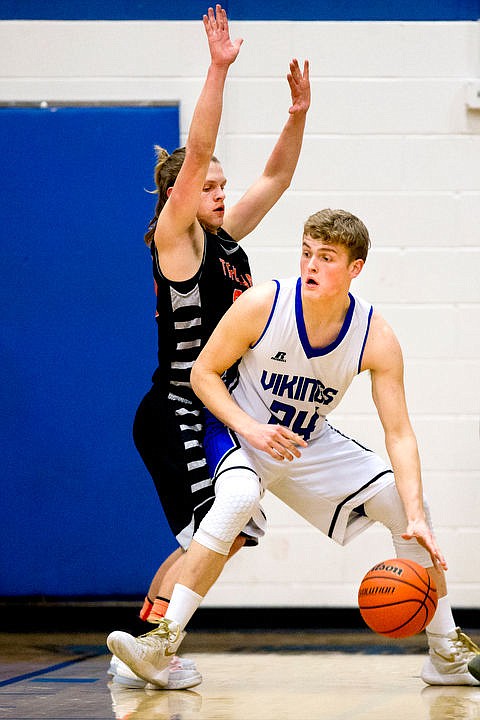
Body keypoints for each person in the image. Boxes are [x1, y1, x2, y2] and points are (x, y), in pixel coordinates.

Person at [108, 208, 480, 687]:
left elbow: (400, 433)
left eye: (326, 258)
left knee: (410, 506)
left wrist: (412, 514)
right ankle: (162, 641)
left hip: (305, 439)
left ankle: (446, 651)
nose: (311, 266)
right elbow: (202, 374)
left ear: (355, 268)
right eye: (306, 253)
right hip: (239, 426)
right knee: (238, 500)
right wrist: (250, 427)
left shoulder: (375, 335)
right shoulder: (265, 303)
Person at [109, 3, 311, 690]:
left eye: (225, 185)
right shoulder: (180, 239)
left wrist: (297, 116)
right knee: (208, 535)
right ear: (182, 196)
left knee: (224, 535)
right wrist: (218, 70)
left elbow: (277, 181)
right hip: (176, 408)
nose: (222, 194)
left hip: (210, 412)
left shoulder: (224, 239)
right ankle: (147, 649)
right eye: (210, 187)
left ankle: (145, 645)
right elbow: (196, 154)